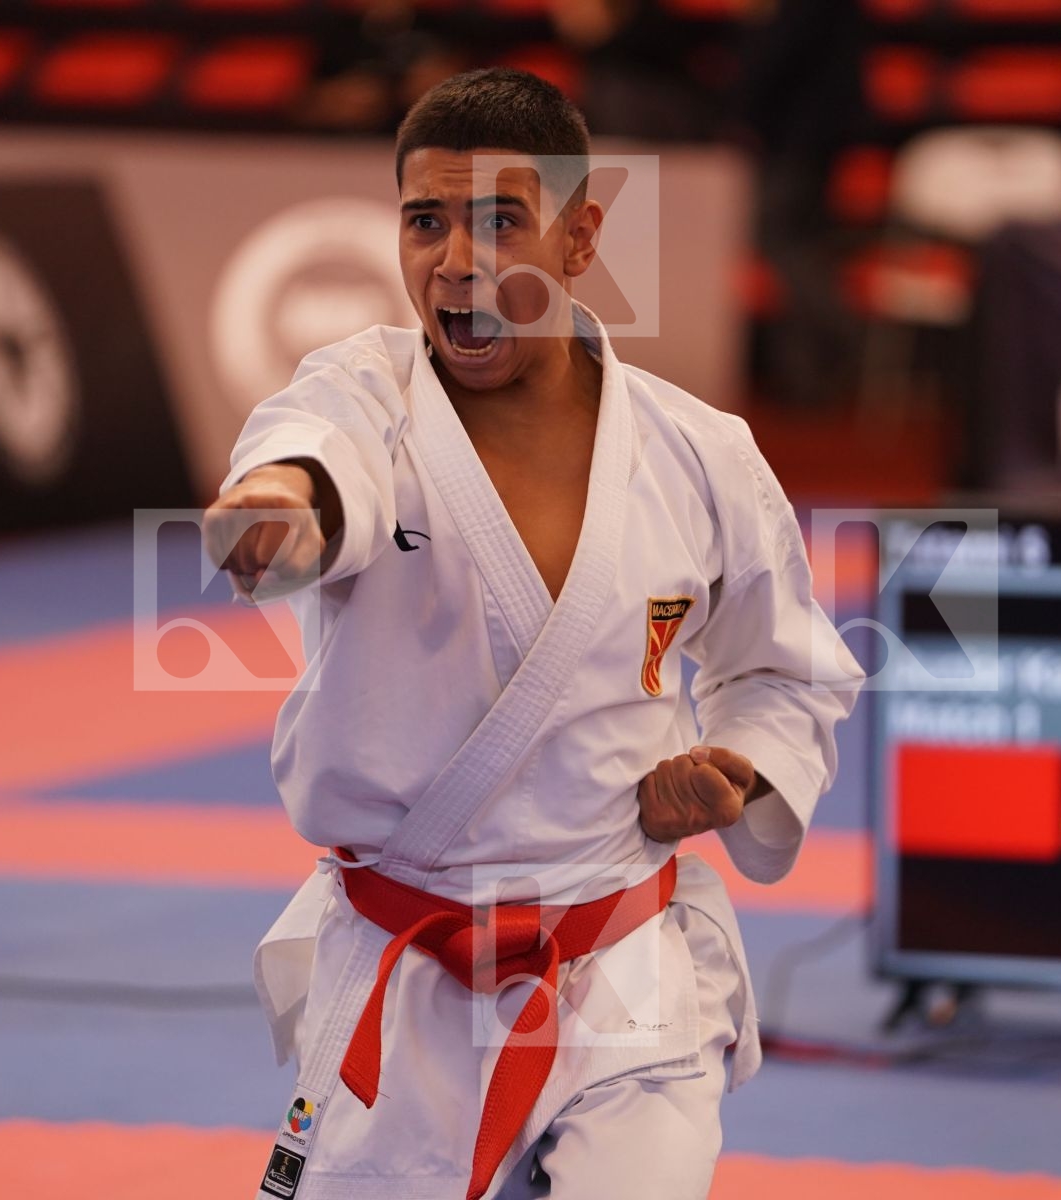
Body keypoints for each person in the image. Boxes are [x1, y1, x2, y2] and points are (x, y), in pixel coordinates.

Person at [203, 68, 861, 1200]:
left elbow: (783, 668)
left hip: (619, 959)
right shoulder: (366, 392)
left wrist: (737, 773)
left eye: (501, 219)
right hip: (407, 972)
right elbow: (317, 455)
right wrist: (285, 509)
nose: (456, 260)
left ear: (577, 237)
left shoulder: (699, 452)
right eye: (426, 221)